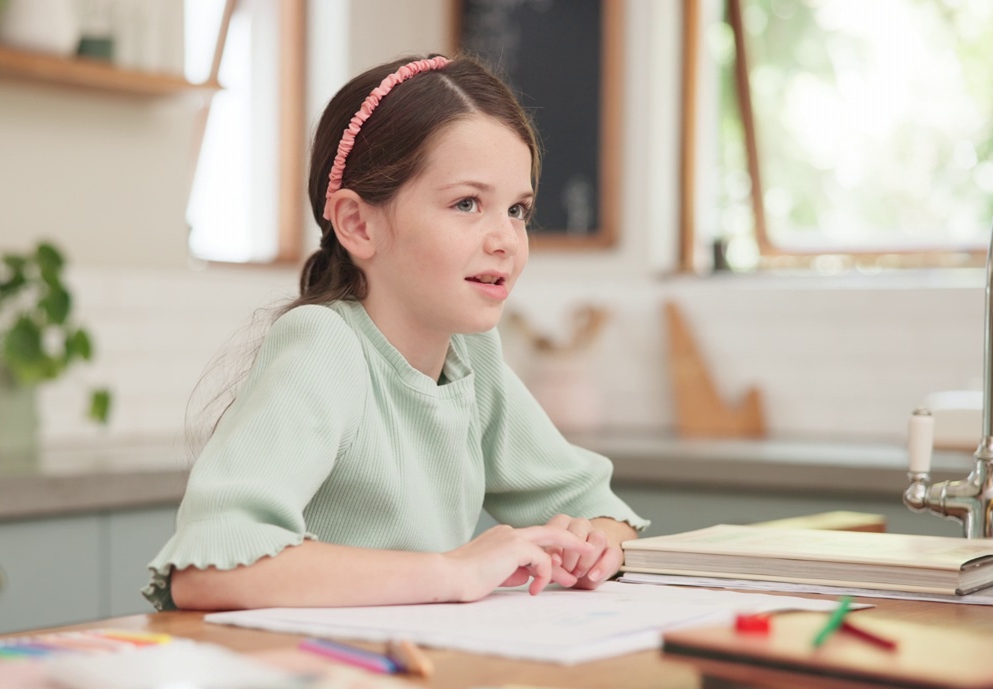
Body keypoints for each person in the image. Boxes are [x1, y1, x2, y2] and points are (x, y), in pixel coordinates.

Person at [143, 54, 647, 611]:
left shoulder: (470, 354)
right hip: (301, 681)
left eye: (518, 210)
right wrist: (452, 572)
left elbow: (599, 508)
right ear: (358, 224)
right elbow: (206, 568)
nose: (506, 239)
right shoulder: (323, 345)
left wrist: (596, 546)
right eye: (467, 203)